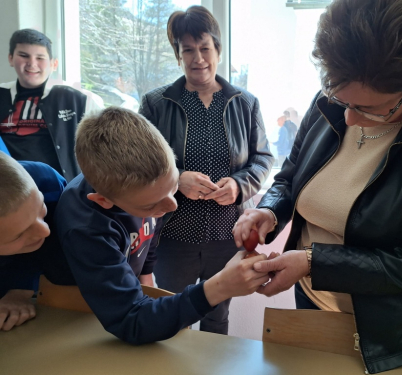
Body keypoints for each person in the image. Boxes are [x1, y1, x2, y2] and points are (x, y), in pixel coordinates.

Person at [232, 0, 402, 373]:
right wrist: (269, 209)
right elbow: (291, 177)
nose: (349, 118)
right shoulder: (333, 96)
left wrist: (312, 261)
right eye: (342, 99)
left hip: (396, 333)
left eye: (374, 109)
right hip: (313, 300)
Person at [56, 107, 271, 344]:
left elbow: (151, 230)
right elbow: (131, 320)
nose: (171, 207)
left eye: (173, 188)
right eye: (151, 206)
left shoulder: (145, 193)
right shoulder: (85, 228)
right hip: (75, 318)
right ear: (104, 201)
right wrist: (220, 287)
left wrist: (146, 272)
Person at [139, 5, 274, 335]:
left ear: (218, 50)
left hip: (228, 235)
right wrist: (177, 179)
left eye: (204, 48)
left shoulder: (246, 103)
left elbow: (263, 159)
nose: (197, 58)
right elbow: (138, 163)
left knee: (217, 316)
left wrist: (240, 185)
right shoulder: (156, 104)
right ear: (178, 53)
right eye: (188, 50)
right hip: (173, 235)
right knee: (172, 314)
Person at [0, 29, 102, 181]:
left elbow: (106, 147)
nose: (32, 64)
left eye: (40, 57)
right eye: (23, 55)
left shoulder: (79, 99)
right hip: (9, 189)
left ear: (54, 64)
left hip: (61, 190)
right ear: (10, 59)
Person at [0, 152, 73, 331]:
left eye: (41, 207)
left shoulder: (47, 181)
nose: (45, 230)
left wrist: (20, 289)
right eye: (20, 234)